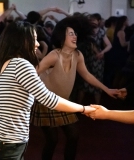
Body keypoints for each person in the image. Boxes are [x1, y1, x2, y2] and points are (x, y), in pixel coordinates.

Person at [0, 21, 95, 160]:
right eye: (34, 39)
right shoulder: (21, 64)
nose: (37, 44)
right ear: (23, 40)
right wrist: (83, 109)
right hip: (7, 145)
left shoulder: (8, 63)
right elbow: (48, 99)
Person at [30, 16, 119, 160]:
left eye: (75, 33)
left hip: (64, 102)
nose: (74, 36)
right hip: (46, 103)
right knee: (52, 140)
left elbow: (87, 76)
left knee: (73, 136)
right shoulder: (54, 55)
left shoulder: (78, 55)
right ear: (61, 37)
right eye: (71, 34)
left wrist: (107, 89)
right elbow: (32, 73)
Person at [78, 13, 112, 104]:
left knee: (98, 80)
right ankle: (78, 105)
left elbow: (109, 45)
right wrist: (99, 52)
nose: (92, 21)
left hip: (98, 60)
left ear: (99, 21)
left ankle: (98, 105)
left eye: (94, 20)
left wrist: (102, 52)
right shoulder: (86, 31)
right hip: (87, 58)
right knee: (84, 81)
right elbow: (90, 44)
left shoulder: (101, 31)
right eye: (91, 20)